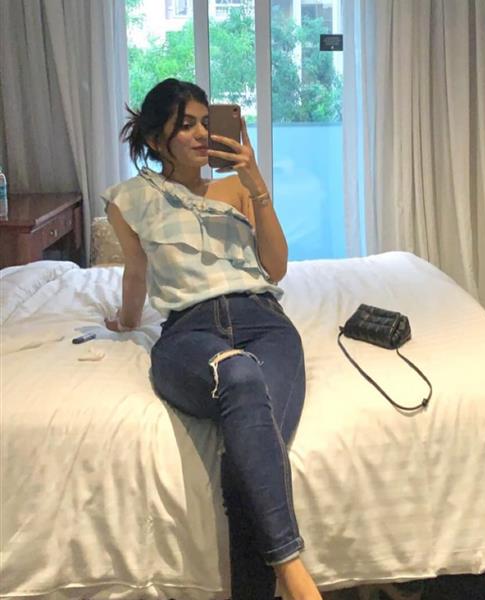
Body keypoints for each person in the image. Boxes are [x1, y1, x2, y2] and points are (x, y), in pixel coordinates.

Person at [102, 78, 322, 600]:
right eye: (187, 125)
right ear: (155, 139)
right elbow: (137, 270)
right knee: (240, 377)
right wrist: (127, 320)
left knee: (245, 457)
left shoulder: (237, 188)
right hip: (189, 332)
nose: (202, 133)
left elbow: (275, 268)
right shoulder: (130, 200)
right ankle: (293, 569)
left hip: (264, 320)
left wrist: (256, 182)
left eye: (206, 121)